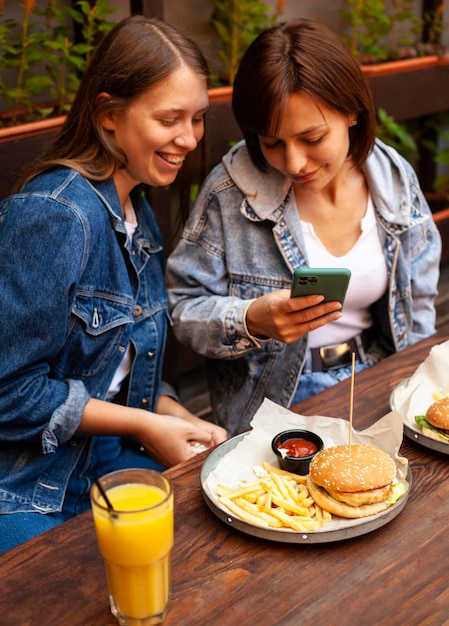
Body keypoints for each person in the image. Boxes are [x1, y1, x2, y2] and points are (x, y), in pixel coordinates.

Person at [0, 15, 227, 553]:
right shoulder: (55, 217)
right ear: (108, 117)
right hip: (30, 483)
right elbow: (9, 393)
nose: (189, 138)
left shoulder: (135, 208)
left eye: (197, 118)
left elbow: (113, 372)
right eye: (170, 118)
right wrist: (146, 427)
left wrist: (173, 416)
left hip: (107, 459)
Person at [166, 18, 441, 436]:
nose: (293, 163)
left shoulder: (393, 179)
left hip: (380, 380)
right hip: (273, 405)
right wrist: (251, 320)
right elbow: (181, 307)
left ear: (352, 112)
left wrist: (418, 389)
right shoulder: (230, 192)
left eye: (312, 139)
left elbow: (418, 304)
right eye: (272, 142)